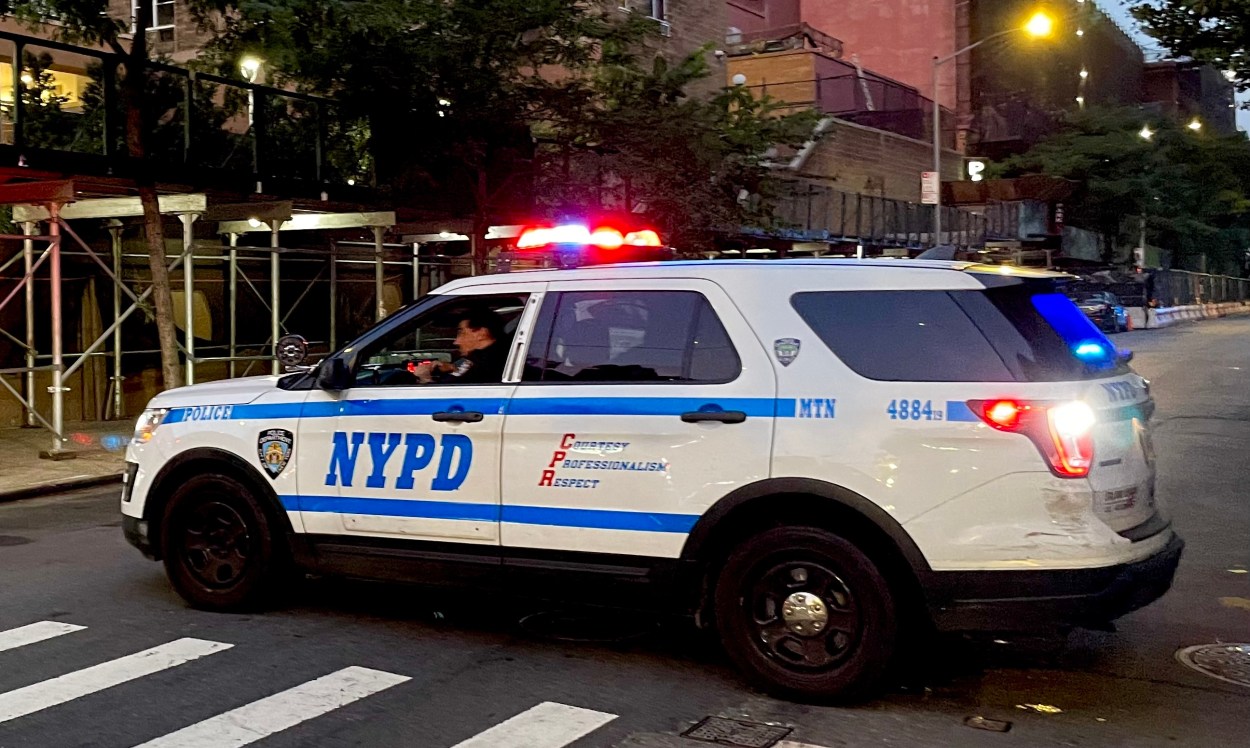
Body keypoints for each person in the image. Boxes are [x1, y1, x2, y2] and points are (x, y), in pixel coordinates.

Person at [411, 307, 508, 384]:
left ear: (481, 333)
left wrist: (425, 379)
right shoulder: (480, 358)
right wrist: (453, 367)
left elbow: (448, 396)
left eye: (461, 333)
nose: (456, 342)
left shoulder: (488, 364)